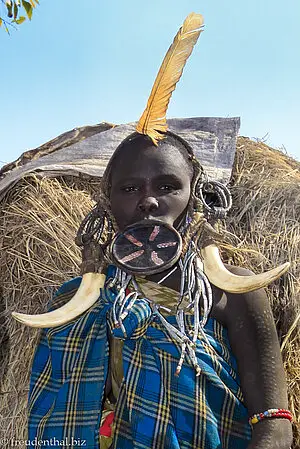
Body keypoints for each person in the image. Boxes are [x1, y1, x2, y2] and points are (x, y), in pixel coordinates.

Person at [13, 13, 293, 449]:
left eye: (167, 187)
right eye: (130, 188)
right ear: (108, 204)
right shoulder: (74, 302)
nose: (148, 201)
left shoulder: (234, 294)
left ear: (193, 197)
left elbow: (274, 424)